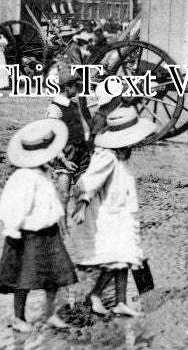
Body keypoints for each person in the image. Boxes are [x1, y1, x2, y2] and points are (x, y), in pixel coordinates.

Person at [72, 106, 157, 317]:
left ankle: (120, 301)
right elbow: (91, 178)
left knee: (126, 258)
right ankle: (95, 294)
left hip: (125, 213)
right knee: (118, 258)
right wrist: (83, 202)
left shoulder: (124, 153)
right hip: (111, 215)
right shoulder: (107, 156)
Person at [0, 118, 77, 333]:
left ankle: (51, 314)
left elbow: (52, 201)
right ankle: (19, 318)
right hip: (27, 234)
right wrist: (12, 230)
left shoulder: (42, 174)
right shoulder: (23, 178)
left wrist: (61, 222)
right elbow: (13, 207)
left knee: (55, 276)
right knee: (23, 278)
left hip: (48, 233)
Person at [46, 65, 91, 215]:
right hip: (65, 155)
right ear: (66, 87)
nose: (78, 90)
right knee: (63, 196)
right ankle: (60, 228)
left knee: (84, 192)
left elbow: (83, 128)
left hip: (81, 154)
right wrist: (64, 160)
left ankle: (81, 228)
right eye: (76, 86)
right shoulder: (54, 109)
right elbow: (51, 138)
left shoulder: (74, 105)